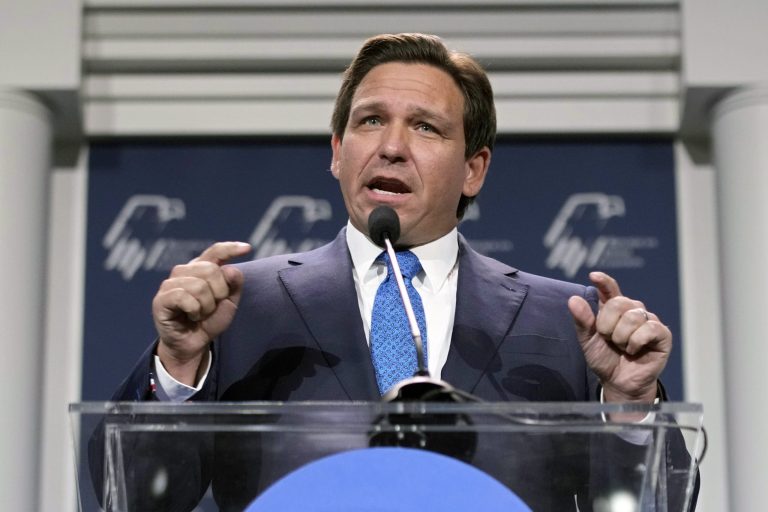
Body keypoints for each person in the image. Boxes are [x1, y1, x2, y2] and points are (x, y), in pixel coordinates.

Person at [103, 33, 693, 511]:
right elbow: (127, 499)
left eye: (426, 127)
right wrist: (178, 364)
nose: (390, 147)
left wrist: (629, 405)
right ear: (337, 152)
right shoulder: (241, 305)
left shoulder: (567, 322)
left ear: (473, 169)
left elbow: (653, 506)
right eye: (369, 121)